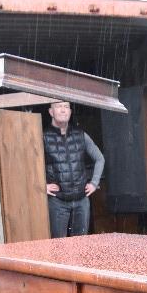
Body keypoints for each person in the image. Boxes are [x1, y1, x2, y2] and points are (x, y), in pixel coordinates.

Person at [43, 100, 105, 238]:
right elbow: (29, 164)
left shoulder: (81, 134)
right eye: (59, 107)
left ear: (70, 112)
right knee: (59, 246)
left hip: (81, 200)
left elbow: (100, 158)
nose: (63, 110)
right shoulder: (43, 136)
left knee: (80, 245)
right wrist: (42, 186)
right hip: (58, 202)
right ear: (51, 112)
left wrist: (94, 183)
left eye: (66, 107)